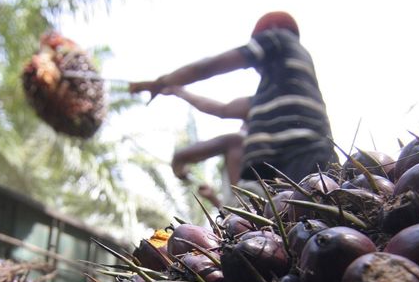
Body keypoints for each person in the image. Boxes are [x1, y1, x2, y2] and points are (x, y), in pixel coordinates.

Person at [129, 11, 338, 188]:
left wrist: (162, 82)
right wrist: (178, 91)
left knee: (311, 220)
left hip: (303, 154)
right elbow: (222, 109)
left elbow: (208, 67)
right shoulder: (267, 98)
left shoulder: (278, 37)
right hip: (276, 169)